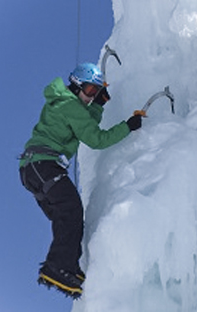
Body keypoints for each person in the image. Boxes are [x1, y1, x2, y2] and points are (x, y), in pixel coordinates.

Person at [19, 62, 142, 298]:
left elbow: (83, 124)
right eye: (88, 91)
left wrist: (97, 105)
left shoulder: (67, 103)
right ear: (76, 87)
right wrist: (128, 126)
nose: (91, 96)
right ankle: (57, 267)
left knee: (68, 219)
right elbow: (96, 138)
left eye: (95, 92)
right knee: (71, 212)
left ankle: (69, 268)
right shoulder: (69, 105)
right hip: (44, 164)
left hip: (34, 169)